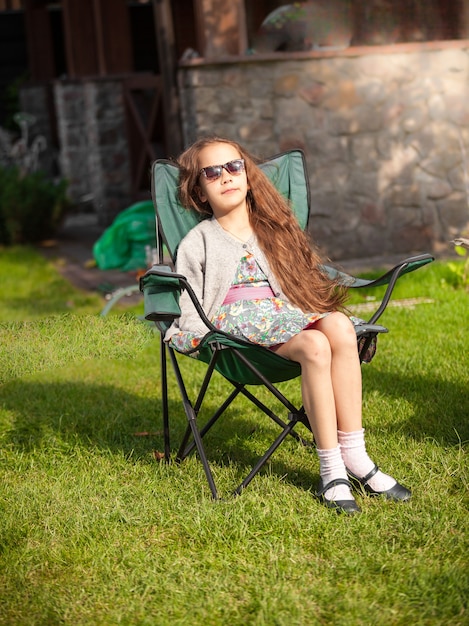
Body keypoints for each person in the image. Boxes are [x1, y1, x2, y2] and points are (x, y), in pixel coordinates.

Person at [165, 136, 411, 514]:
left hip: (285, 314)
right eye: (211, 173)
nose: (226, 177)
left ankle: (355, 457)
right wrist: (194, 337)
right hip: (235, 330)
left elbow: (303, 279)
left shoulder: (275, 228)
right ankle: (332, 471)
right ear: (199, 191)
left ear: (247, 174)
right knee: (314, 346)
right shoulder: (198, 241)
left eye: (233, 167)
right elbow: (188, 299)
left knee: (341, 327)